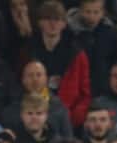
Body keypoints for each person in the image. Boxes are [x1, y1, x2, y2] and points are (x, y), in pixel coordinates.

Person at [27, 0, 91, 128]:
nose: (53, 24)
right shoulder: (28, 52)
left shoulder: (77, 54)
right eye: (48, 19)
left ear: (64, 24)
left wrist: (70, 118)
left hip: (68, 118)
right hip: (33, 116)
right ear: (40, 23)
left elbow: (85, 93)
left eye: (57, 19)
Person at [0, 60, 73, 138]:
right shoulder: (11, 110)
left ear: (46, 79)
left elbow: (67, 138)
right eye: (30, 75)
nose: (35, 79)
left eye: (39, 75)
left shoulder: (59, 108)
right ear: (23, 80)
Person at [67, 0, 117, 96]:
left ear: (103, 13)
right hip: (76, 88)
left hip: (103, 89)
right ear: (80, 11)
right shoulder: (69, 32)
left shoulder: (109, 32)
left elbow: (114, 58)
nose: (91, 16)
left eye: (96, 12)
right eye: (88, 12)